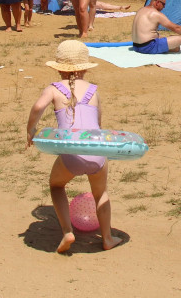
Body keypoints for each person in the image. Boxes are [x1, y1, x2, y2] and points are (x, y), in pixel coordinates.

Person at [26, 40, 120, 253]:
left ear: (58, 68)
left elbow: (38, 107)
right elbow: (99, 122)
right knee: (100, 192)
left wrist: (31, 131)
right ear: (85, 67)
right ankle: (107, 237)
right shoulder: (93, 90)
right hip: (97, 151)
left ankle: (68, 231)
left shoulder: (54, 89)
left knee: (57, 186)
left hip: (71, 154)